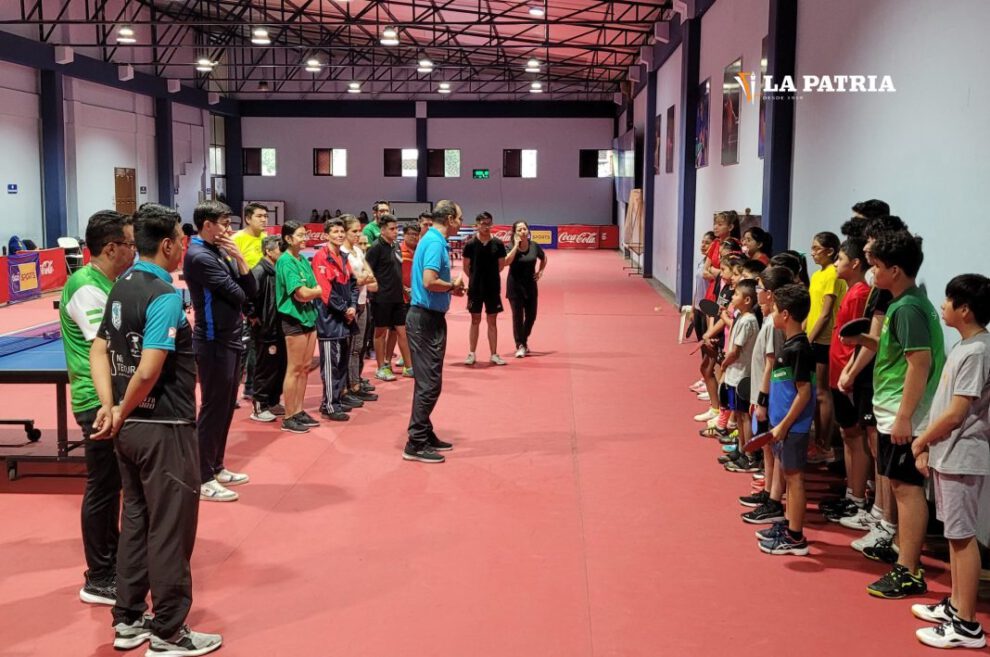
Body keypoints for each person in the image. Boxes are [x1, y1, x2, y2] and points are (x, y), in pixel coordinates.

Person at [89, 203, 222, 656]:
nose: (184, 249)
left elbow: (100, 347)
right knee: (170, 530)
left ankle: (127, 620)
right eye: (181, 242)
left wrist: (110, 408)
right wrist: (122, 408)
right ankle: (169, 630)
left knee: (137, 522)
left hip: (129, 433)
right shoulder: (164, 294)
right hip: (164, 428)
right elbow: (147, 369)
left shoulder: (121, 283)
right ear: (166, 244)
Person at [854, 231, 945, 599]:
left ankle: (909, 570)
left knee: (907, 492)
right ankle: (904, 557)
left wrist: (906, 418)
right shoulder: (902, 304)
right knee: (898, 487)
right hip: (894, 411)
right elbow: (899, 353)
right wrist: (866, 343)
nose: (871, 273)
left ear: (894, 269)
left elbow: (919, 364)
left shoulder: (907, 308)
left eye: (875, 266)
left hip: (905, 416)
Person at [59, 210, 134, 606]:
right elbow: (104, 345)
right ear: (111, 248)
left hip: (114, 399)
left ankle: (115, 561)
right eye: (130, 244)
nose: (134, 250)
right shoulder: (86, 285)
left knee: (115, 486)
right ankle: (99, 576)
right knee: (103, 488)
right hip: (96, 402)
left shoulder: (110, 281)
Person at [911, 274, 990, 649]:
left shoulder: (977, 351)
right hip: (949, 454)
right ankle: (957, 605)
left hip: (963, 455)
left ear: (965, 309)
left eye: (948, 301)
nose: (942, 306)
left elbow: (957, 412)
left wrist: (923, 439)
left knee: (962, 538)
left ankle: (967, 624)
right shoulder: (965, 347)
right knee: (954, 535)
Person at [183, 200, 256, 503]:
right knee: (213, 408)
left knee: (227, 407)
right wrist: (238, 262)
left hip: (231, 337)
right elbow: (240, 293)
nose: (229, 229)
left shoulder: (219, 251)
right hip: (213, 341)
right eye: (224, 223)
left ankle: (216, 465)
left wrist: (238, 257)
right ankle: (201, 477)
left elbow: (249, 289)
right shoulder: (200, 256)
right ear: (207, 224)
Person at [404, 202, 465, 463]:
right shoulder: (435, 243)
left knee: (429, 381)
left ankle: (424, 431)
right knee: (429, 383)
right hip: (424, 320)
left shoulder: (431, 239)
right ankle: (415, 443)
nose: (462, 222)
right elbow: (429, 281)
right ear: (450, 218)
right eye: (460, 218)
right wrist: (452, 286)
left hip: (429, 318)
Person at [758, 283, 815, 556]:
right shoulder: (789, 345)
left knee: (795, 480)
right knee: (790, 479)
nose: (772, 314)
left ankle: (795, 537)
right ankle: (789, 526)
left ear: (787, 315)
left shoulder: (800, 349)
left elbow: (804, 393)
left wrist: (784, 424)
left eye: (776, 310)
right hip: (782, 426)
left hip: (793, 428)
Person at [820, 238, 872, 522]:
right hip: (837, 370)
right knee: (846, 434)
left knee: (855, 435)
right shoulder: (852, 291)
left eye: (840, 258)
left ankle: (858, 496)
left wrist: (849, 374)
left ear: (854, 264)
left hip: (846, 373)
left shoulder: (860, 293)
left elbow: (857, 341)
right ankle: (851, 492)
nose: (836, 263)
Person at [739, 266, 792, 524]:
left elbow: (771, 363)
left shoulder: (772, 324)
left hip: (769, 395)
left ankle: (774, 500)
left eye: (759, 287)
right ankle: (768, 492)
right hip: (763, 394)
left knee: (773, 448)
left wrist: (761, 400)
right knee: (768, 449)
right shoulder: (769, 318)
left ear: (770, 294)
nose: (757, 291)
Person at [275, 221, 323, 434]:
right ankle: (289, 415)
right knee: (294, 369)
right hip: (293, 320)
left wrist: (313, 291)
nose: (305, 239)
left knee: (305, 367)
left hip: (309, 317)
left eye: (305, 235)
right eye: (301, 236)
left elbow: (312, 287)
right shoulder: (285, 261)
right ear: (288, 239)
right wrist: (316, 291)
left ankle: (299, 410)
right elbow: (302, 293)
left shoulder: (302, 259)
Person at [806, 231, 847, 462]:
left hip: (823, 341)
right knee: (814, 391)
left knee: (823, 393)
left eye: (816, 249)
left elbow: (825, 314)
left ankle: (825, 445)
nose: (812, 253)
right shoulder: (818, 275)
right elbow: (812, 310)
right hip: (812, 336)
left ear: (830, 251)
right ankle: (817, 440)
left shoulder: (833, 274)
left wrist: (808, 339)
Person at [312, 219, 357, 422]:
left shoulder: (344, 258)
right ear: (327, 235)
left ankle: (337, 398)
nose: (339, 235)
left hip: (345, 318)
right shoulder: (320, 258)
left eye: (341, 231)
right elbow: (325, 291)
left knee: (341, 363)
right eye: (335, 232)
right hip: (329, 320)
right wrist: (343, 309)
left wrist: (353, 306)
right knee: (330, 365)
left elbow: (353, 283)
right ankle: (329, 404)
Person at [720, 279, 761, 473]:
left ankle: (749, 455)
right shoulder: (741, 317)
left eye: (736, 295)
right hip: (734, 374)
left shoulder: (748, 321)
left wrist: (724, 363)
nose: (732, 297)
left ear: (746, 300)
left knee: (744, 417)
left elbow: (735, 351)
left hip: (741, 376)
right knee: (738, 415)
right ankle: (741, 448)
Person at [365, 213, 412, 380]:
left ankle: (408, 367)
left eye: (396, 228)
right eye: (392, 229)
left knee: (402, 331)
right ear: (382, 230)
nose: (395, 232)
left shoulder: (396, 246)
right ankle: (381, 368)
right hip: (381, 298)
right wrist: (373, 291)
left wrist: (404, 289)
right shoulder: (376, 248)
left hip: (398, 297)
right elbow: (367, 271)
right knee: (380, 333)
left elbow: (396, 271)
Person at [247, 235, 287, 422]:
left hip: (278, 326)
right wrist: (253, 315)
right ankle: (259, 405)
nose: (282, 251)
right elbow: (246, 296)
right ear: (268, 251)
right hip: (265, 328)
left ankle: (273, 401)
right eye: (279, 248)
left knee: (279, 366)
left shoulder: (277, 270)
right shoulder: (259, 271)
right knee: (265, 367)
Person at [232, 203, 269, 401]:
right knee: (243, 347)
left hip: (263, 301)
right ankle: (231, 393)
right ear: (248, 218)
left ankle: (251, 387)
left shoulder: (267, 239)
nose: (264, 219)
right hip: (243, 301)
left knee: (257, 346)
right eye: (259, 216)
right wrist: (248, 308)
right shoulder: (236, 240)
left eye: (266, 216)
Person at [341, 216, 378, 403]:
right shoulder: (341, 252)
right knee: (349, 349)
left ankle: (355, 384)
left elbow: (371, 279)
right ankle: (347, 388)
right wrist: (362, 278)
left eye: (359, 230)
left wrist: (362, 278)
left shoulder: (357, 250)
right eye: (354, 231)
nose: (358, 235)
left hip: (364, 303)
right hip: (350, 306)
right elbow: (355, 280)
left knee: (358, 348)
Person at [463, 212, 508, 366]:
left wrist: (490, 278)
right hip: (475, 289)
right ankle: (471, 353)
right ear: (477, 225)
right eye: (483, 223)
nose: (486, 226)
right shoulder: (469, 244)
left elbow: (501, 265)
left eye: (489, 223)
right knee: (475, 320)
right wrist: (476, 279)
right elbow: (466, 267)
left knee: (492, 321)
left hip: (493, 288)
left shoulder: (498, 243)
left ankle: (494, 354)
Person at [504, 220, 547, 358]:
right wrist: (516, 246)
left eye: (524, 229)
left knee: (531, 316)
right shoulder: (510, 246)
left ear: (528, 231)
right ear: (514, 233)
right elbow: (506, 262)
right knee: (517, 317)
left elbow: (544, 258)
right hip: (515, 287)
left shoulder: (534, 246)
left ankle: (523, 340)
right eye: (519, 230)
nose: (523, 232)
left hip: (530, 286)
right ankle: (520, 345)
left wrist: (540, 271)